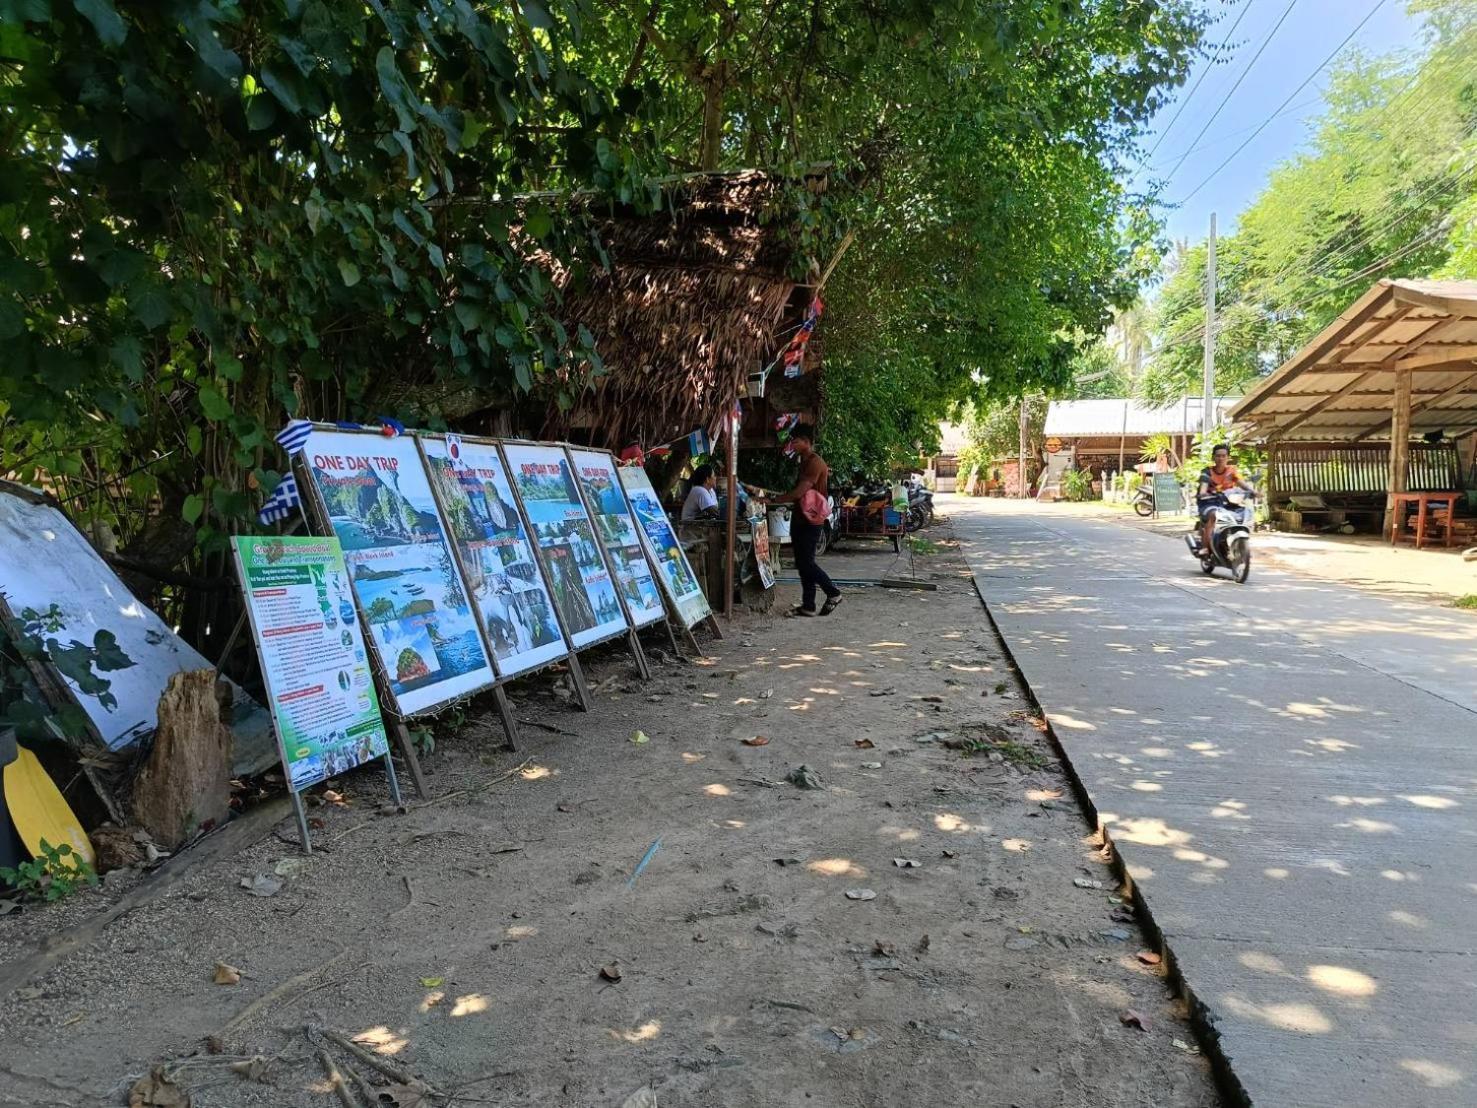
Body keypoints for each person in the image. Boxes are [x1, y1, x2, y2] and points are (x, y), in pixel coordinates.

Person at [763, 424, 842, 616]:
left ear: (806, 442)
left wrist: (774, 500)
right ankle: (808, 605)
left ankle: (833, 592)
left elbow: (800, 491)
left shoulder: (815, 462)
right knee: (803, 563)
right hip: (801, 518)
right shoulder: (804, 460)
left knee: (807, 563)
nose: (792, 444)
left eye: (795, 441)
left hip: (811, 521)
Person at [1196, 444, 1255, 555]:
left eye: (1224, 456)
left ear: (1228, 457)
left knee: (1241, 514)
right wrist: (1203, 493)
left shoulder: (1231, 472)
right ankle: (1205, 547)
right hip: (1209, 502)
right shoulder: (1207, 472)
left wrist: (1252, 491)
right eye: (1218, 456)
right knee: (1213, 515)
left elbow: (1243, 485)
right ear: (1213, 457)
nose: (1221, 458)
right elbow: (1203, 486)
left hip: (1227, 503)